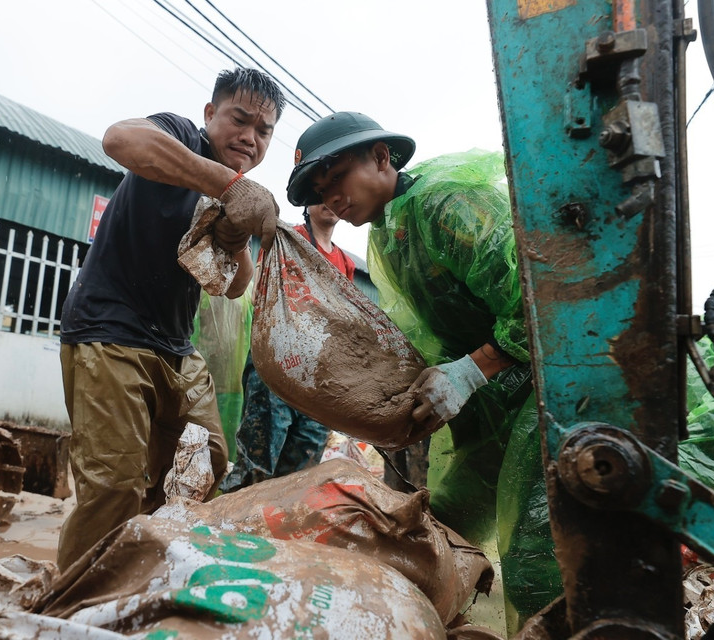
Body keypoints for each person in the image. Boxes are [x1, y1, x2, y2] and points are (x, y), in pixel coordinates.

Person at [285, 112, 555, 629]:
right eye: (321, 189)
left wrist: (473, 370)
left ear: (382, 157)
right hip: (496, 409)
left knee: (535, 549)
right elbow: (422, 332)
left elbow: (540, 296)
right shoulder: (388, 235)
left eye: (336, 177)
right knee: (443, 527)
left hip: (548, 394)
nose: (331, 198)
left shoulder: (443, 203)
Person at [57, 68, 284, 572]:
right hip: (109, 333)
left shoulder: (235, 191)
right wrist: (224, 182)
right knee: (113, 485)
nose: (249, 137)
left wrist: (233, 236)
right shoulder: (181, 136)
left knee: (204, 466)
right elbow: (120, 139)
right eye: (239, 120)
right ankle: (73, 603)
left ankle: (139, 571)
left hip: (175, 348)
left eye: (263, 130)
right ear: (210, 115)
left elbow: (236, 284)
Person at [222, 203, 355, 491]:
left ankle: (275, 534)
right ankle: (225, 531)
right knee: (255, 468)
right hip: (276, 368)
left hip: (317, 384)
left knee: (299, 481)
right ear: (307, 202)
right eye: (321, 194)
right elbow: (264, 293)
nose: (330, 201)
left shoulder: (345, 263)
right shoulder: (286, 239)